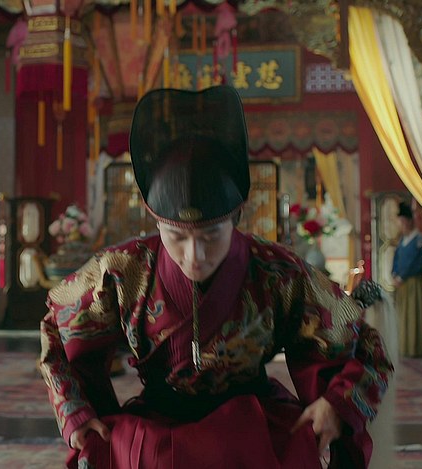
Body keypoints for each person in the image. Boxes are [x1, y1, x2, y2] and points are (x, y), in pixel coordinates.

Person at [38, 86, 393, 468]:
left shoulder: (277, 271)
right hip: (157, 424)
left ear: (236, 217)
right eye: (176, 237)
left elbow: (361, 342)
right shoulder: (122, 270)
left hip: (251, 425)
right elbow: (59, 328)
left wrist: (336, 403)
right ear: (155, 221)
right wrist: (75, 411)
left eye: (211, 237)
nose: (195, 256)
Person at [391, 201, 422, 357]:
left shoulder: (419, 239)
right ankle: (404, 347)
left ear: (408, 221)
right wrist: (394, 274)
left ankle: (416, 348)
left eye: (402, 221)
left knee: (414, 315)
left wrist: (402, 276)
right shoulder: (402, 241)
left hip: (413, 282)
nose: (401, 225)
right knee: (403, 316)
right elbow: (396, 259)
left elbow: (414, 262)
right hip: (402, 284)